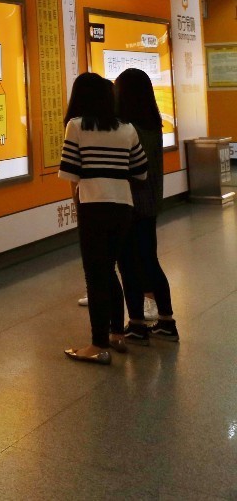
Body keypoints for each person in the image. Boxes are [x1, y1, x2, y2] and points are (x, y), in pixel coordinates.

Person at [58, 73, 148, 364]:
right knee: (110, 270)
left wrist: (78, 202)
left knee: (96, 275)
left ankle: (97, 345)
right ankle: (117, 334)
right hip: (123, 206)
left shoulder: (76, 126)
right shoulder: (127, 128)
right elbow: (141, 172)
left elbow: (70, 172)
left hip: (92, 206)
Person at [114, 68, 179, 343]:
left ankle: (137, 324)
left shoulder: (128, 128)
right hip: (151, 202)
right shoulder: (154, 124)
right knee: (150, 261)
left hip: (131, 203)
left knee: (128, 265)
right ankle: (166, 320)